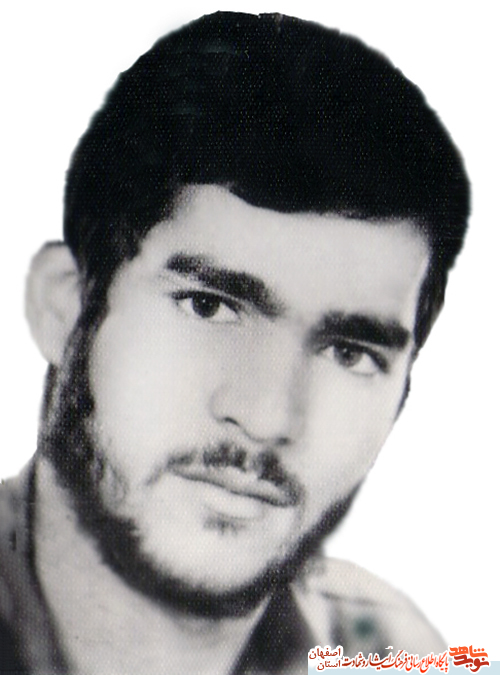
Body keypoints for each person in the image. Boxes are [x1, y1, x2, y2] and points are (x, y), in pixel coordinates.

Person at [0, 11, 469, 675]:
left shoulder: (387, 652)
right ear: (64, 307)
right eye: (210, 306)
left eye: (349, 352)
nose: (268, 416)